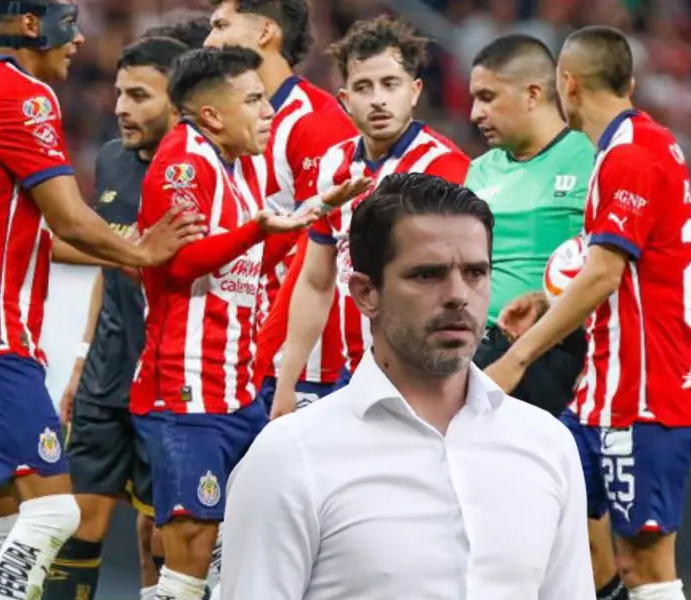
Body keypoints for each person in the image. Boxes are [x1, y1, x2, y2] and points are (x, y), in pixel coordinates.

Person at [0, 3, 204, 599]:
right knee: (56, 514)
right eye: (67, 20)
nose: (79, 37)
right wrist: (145, 252)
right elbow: (72, 220)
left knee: (2, 526)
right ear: (32, 25)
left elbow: (43, 237)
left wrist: (121, 251)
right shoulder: (27, 97)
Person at [220, 172, 594, 599]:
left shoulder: (548, 446)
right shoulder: (288, 458)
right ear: (366, 293)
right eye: (427, 275)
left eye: (475, 272)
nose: (458, 295)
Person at [128, 45, 368, 600]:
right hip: (187, 392)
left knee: (229, 560)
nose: (268, 113)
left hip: (235, 390)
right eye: (255, 100)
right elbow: (179, 260)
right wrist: (259, 229)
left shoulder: (234, 168)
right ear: (212, 114)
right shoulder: (183, 161)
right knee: (186, 569)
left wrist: (316, 210)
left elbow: (245, 254)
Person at [484, 25, 691, 599]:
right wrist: (546, 299)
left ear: (567, 84)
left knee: (646, 565)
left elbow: (606, 272)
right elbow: (613, 268)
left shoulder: (629, 155)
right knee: (568, 526)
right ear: (628, 82)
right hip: (603, 391)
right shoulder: (632, 144)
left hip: (645, 390)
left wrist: (517, 358)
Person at [45, 36, 191, 600]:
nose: (121, 108)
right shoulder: (110, 159)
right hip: (107, 372)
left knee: (162, 535)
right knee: (78, 522)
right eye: (119, 93)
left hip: (170, 375)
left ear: (177, 103)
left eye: (139, 95)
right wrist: (82, 358)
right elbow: (108, 265)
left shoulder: (205, 172)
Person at [268, 15, 470, 420]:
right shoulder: (334, 165)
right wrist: (286, 384)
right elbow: (315, 280)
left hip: (416, 376)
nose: (378, 99)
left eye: (390, 85)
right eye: (364, 87)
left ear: (414, 92)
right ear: (345, 100)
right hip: (351, 374)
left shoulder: (443, 166)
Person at [204, 0, 361, 413]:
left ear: (265, 33)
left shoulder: (315, 122)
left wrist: (268, 353)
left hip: (297, 360)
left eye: (221, 25)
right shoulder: (228, 124)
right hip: (241, 349)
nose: (210, 40)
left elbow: (317, 250)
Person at [465, 34, 595, 420]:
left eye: (487, 97)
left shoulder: (591, 158)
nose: (475, 113)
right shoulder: (479, 170)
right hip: (474, 350)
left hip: (555, 353)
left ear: (533, 94)